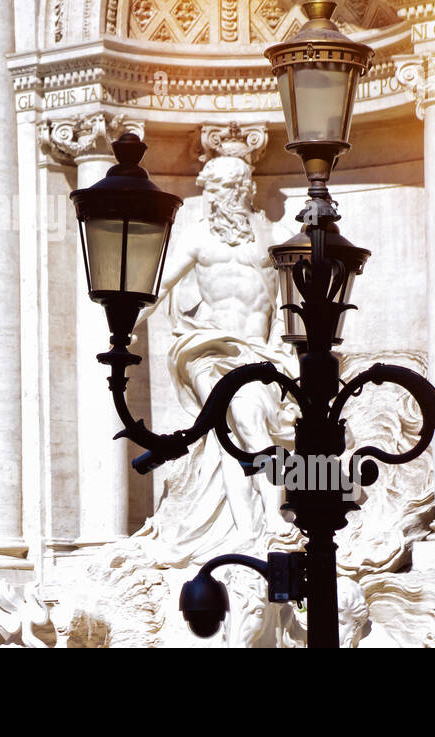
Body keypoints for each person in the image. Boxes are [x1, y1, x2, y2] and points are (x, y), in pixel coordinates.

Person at [133, 153, 299, 564]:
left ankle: (246, 532)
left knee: (231, 443)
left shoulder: (272, 238)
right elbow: (157, 285)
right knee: (241, 416)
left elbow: (290, 304)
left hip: (259, 353)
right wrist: (126, 321)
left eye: (229, 187)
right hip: (208, 349)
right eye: (215, 188)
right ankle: (275, 521)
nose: (220, 196)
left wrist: (290, 350)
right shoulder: (196, 239)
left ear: (246, 189)